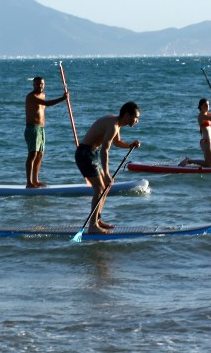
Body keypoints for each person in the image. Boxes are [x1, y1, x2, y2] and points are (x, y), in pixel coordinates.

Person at [74, 102, 141, 234]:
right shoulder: (114, 125)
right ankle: (92, 226)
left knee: (105, 186)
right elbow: (105, 150)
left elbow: (116, 142)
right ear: (127, 115)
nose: (137, 120)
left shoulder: (116, 124)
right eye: (136, 117)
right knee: (99, 188)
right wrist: (106, 173)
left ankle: (97, 219)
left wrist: (130, 145)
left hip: (92, 153)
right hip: (85, 154)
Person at [24, 76, 68, 188]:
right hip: (32, 128)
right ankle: (29, 183)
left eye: (42, 84)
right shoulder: (31, 96)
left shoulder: (43, 95)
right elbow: (47, 104)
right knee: (32, 154)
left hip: (41, 129)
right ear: (33, 85)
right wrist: (63, 99)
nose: (40, 86)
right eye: (37, 84)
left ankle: (35, 180)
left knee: (40, 154)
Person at [179, 98, 211, 168]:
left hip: (208, 142)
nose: (207, 106)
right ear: (201, 106)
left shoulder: (207, 114)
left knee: (209, 164)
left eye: (208, 105)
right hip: (206, 141)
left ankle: (190, 161)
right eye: (205, 105)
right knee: (209, 165)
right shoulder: (201, 115)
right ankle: (189, 161)